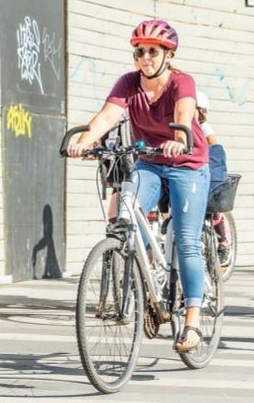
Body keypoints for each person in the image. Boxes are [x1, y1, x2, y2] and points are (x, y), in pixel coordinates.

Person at [67, 19, 209, 353]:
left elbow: (183, 113)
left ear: (168, 55)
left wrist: (178, 138)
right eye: (139, 51)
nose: (145, 57)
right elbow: (106, 116)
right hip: (150, 163)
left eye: (153, 51)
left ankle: (192, 320)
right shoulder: (128, 83)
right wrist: (84, 142)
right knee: (126, 212)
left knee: (187, 241)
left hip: (187, 164)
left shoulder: (181, 81)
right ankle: (145, 279)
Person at [197, 91, 232, 263]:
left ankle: (224, 241)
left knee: (214, 209)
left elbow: (215, 148)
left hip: (205, 169)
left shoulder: (205, 128)